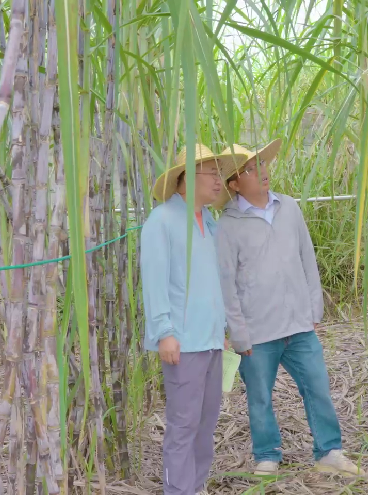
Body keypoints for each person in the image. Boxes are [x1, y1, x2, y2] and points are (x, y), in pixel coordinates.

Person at [214, 140, 364, 477]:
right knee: (259, 397)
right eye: (250, 169)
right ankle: (267, 455)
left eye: (262, 165)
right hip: (257, 329)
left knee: (317, 387)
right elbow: (226, 283)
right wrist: (238, 332)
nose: (262, 172)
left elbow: (307, 258)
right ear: (234, 184)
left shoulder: (289, 207)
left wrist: (314, 309)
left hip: (299, 324)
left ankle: (329, 452)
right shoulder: (228, 224)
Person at [140, 143, 246, 495]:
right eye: (212, 173)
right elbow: (154, 281)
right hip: (182, 342)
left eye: (220, 174)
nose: (219, 181)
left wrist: (222, 329)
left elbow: (211, 283)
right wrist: (164, 332)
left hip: (210, 339)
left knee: (205, 423)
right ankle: (178, 490)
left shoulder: (209, 222)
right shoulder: (162, 221)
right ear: (186, 178)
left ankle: (196, 486)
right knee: (183, 425)